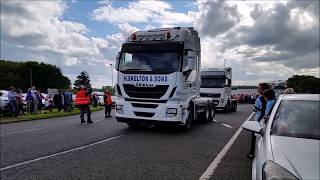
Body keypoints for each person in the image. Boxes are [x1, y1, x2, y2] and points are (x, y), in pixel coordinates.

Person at [247, 83, 270, 159]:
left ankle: (252, 154)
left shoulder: (259, 98)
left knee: (254, 138)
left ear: (263, 90)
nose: (258, 90)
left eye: (259, 88)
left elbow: (255, 108)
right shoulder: (272, 98)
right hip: (267, 119)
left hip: (259, 120)